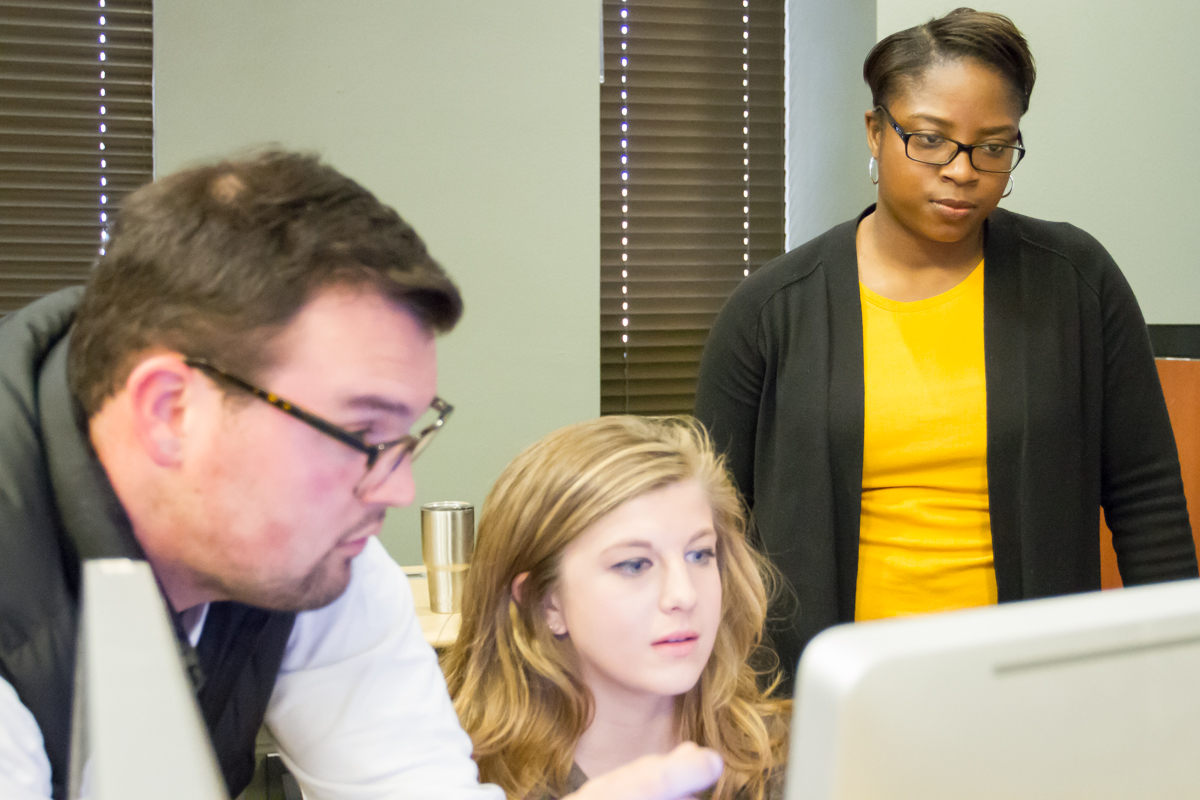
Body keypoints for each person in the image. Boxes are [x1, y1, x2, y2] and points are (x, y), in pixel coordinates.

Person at [0, 151, 724, 800]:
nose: (395, 490)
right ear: (169, 412)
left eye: (407, 433)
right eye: (356, 435)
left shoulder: (311, 562)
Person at [693, 8, 1198, 687]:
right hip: (825, 694)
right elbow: (709, 532)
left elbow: (1146, 498)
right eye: (930, 140)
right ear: (876, 131)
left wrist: (1177, 673)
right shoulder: (769, 311)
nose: (963, 171)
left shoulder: (1075, 281)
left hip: (1032, 686)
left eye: (993, 146)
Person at [442, 416, 790, 800]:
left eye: (699, 554)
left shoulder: (792, 756)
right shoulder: (452, 776)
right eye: (635, 564)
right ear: (546, 602)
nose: (684, 594)